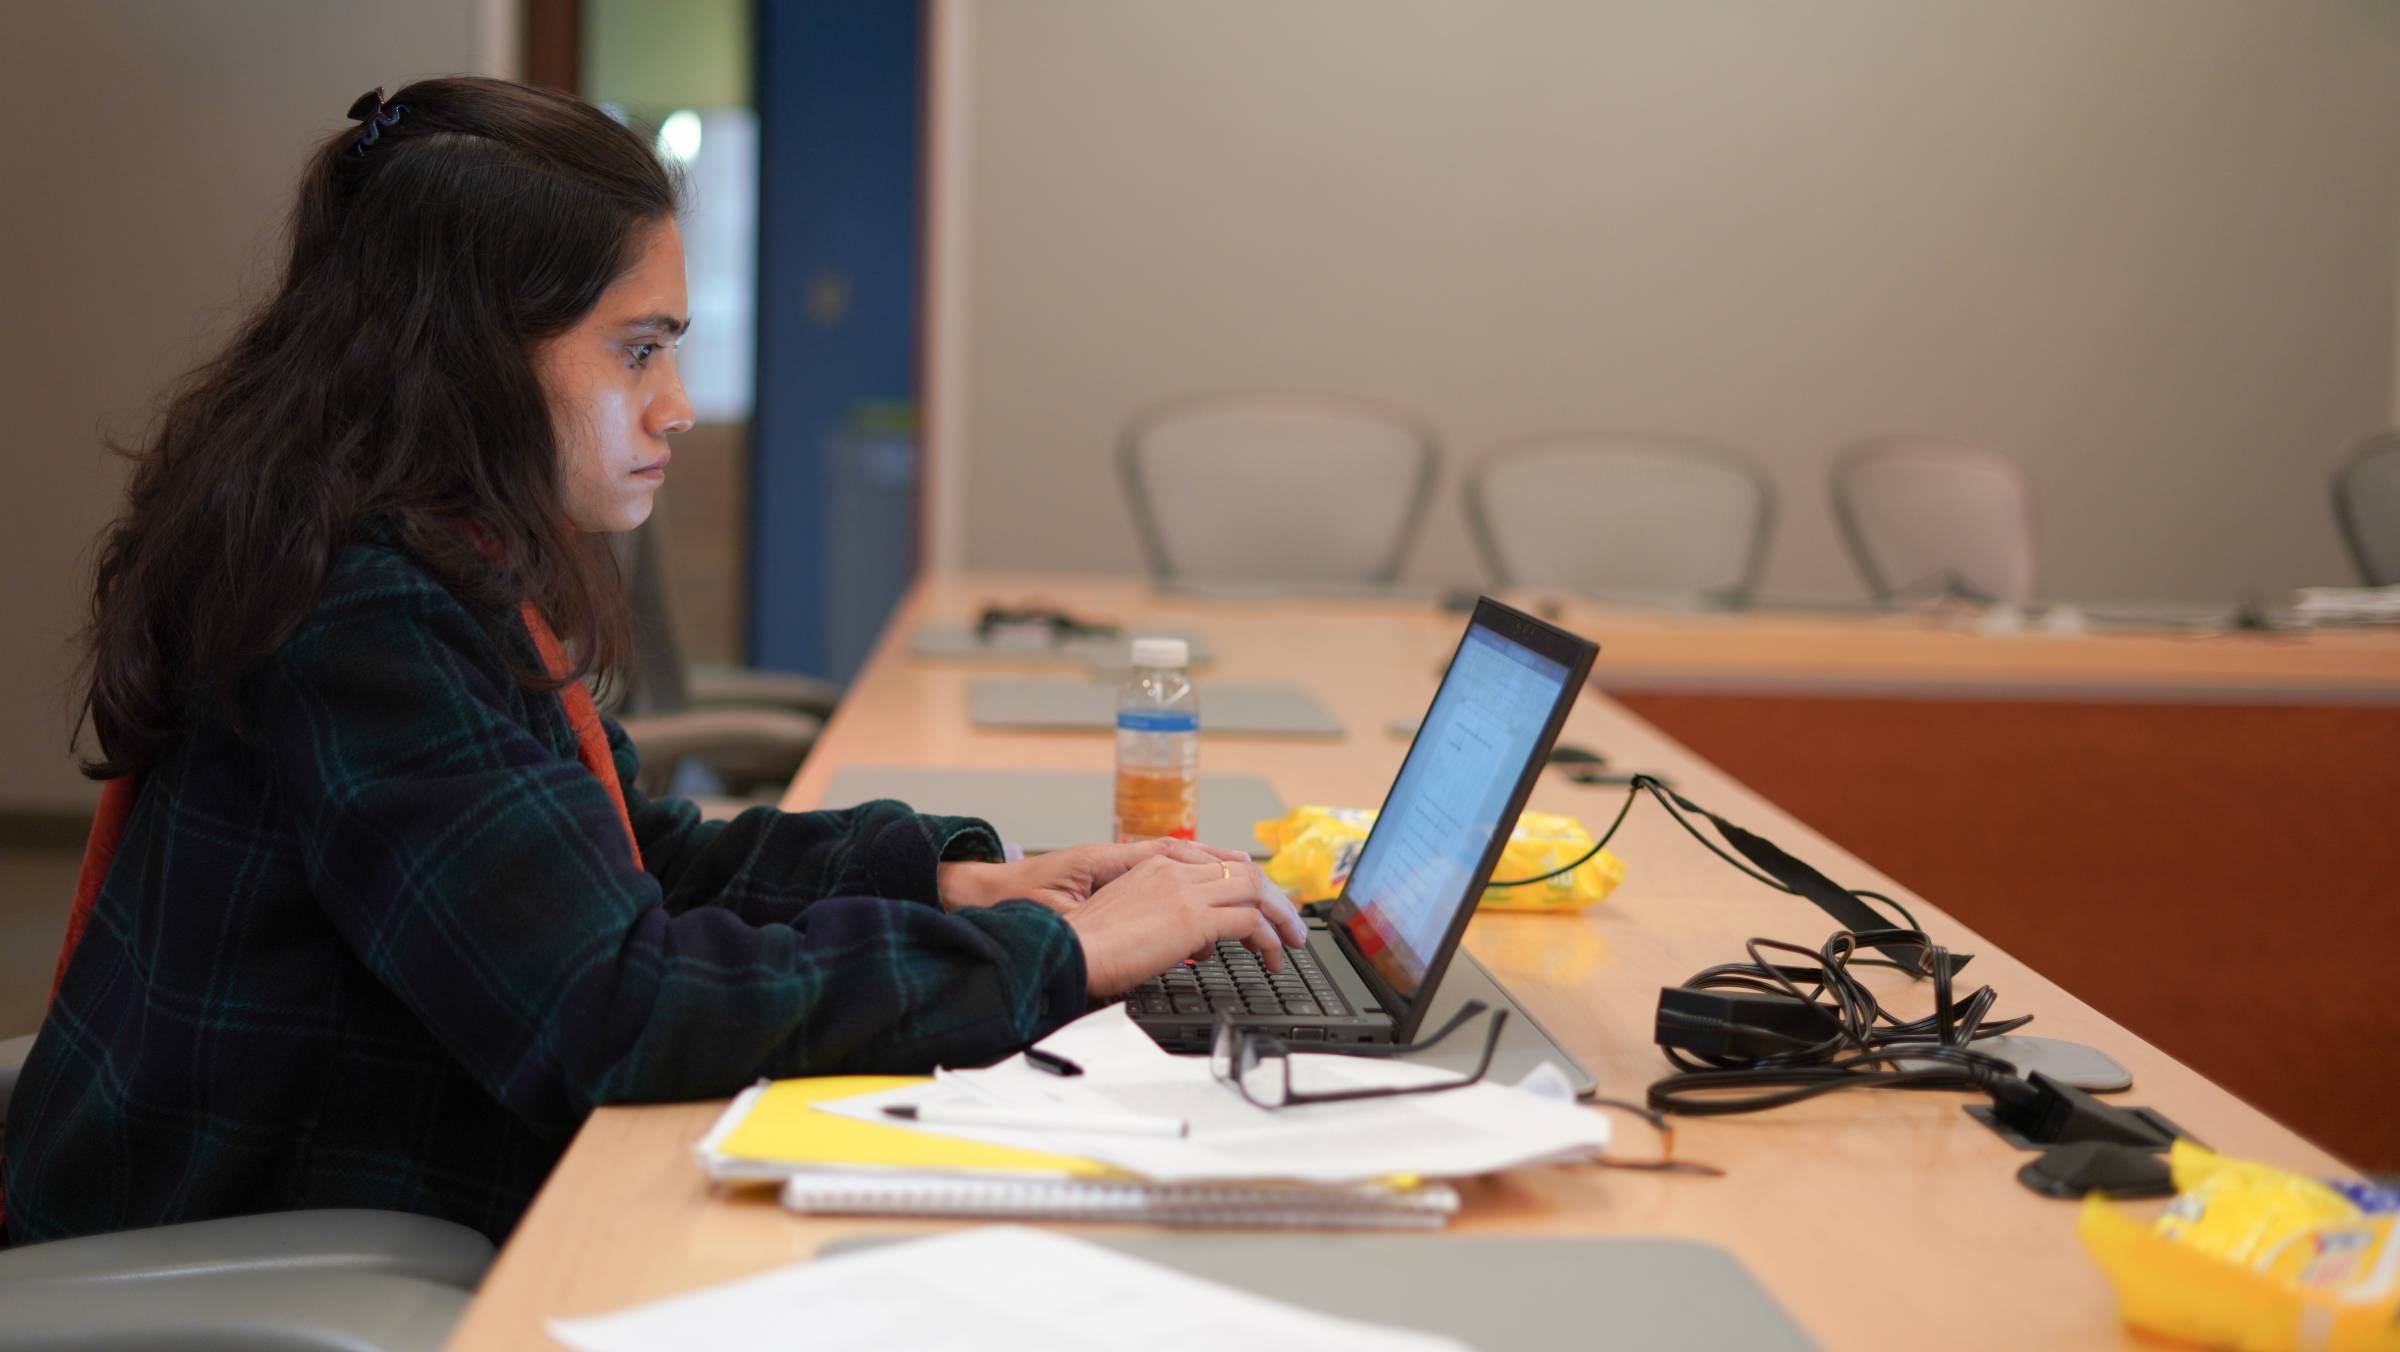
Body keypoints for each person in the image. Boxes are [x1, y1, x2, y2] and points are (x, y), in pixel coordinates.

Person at [1, 77, 1302, 1248]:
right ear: (467, 356)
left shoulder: (416, 558)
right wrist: (1058, 955)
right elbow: (616, 1012)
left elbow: (632, 860)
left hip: (349, 1175)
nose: (674, 401)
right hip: (247, 1236)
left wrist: (961, 885)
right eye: (639, 349)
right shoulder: (367, 612)